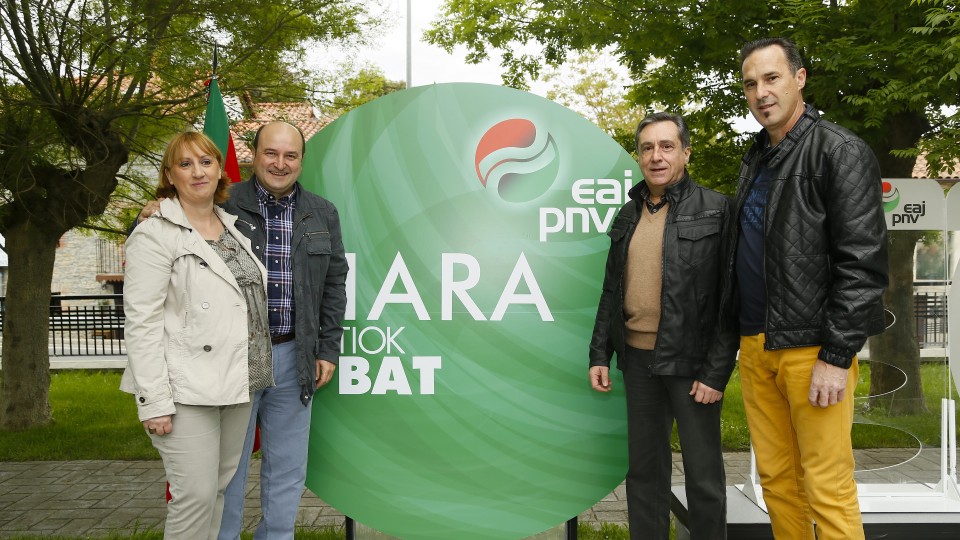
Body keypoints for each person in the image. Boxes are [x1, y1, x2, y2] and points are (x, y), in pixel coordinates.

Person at [722, 37, 888, 539]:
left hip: (813, 348)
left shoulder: (840, 151)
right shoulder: (756, 157)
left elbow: (863, 263)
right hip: (756, 345)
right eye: (750, 84)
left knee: (827, 485)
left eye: (771, 79)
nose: (760, 93)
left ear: (799, 79)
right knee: (777, 481)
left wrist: (837, 355)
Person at [589, 112, 738, 540]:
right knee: (644, 474)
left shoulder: (717, 209)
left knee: (703, 478)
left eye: (667, 146)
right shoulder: (627, 214)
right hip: (637, 361)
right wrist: (600, 352)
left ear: (686, 153)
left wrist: (715, 371)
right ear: (639, 157)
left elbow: (732, 299)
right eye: (648, 148)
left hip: (693, 365)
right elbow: (610, 291)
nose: (657, 156)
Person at [121, 131, 273, 540]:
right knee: (194, 498)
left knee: (217, 493)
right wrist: (153, 401)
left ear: (219, 168)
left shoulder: (232, 227)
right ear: (169, 175)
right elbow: (141, 322)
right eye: (185, 164)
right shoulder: (155, 233)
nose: (197, 171)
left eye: (205, 161)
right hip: (184, 388)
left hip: (236, 382)